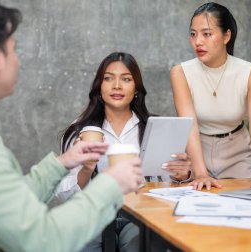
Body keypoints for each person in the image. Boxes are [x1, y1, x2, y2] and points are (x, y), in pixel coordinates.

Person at [0, 1, 142, 252]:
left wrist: (61, 163)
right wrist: (110, 184)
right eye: (14, 49)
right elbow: (43, 239)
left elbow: (10, 203)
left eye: (125, 79)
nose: (18, 61)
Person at [55, 52, 193, 251]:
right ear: (99, 87)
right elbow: (64, 196)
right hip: (94, 214)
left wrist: (183, 175)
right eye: (109, 78)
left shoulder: (155, 127)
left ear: (136, 88)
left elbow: (168, 187)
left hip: (140, 214)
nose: (117, 86)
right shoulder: (81, 132)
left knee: (143, 244)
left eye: (126, 79)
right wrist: (86, 169)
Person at [170, 2, 251, 190]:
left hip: (236, 151)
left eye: (207, 34)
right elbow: (189, 125)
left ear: (226, 36)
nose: (198, 42)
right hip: (198, 151)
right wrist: (201, 172)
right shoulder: (180, 72)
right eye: (193, 34)